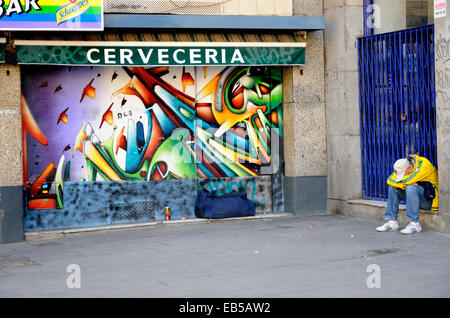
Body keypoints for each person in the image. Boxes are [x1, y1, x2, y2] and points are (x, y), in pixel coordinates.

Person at [376, 154, 438, 234]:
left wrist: (405, 183)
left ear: (409, 168)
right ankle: (392, 222)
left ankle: (414, 224)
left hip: (429, 200)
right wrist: (403, 184)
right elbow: (390, 180)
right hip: (414, 199)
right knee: (393, 187)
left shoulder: (423, 165)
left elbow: (408, 181)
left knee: (411, 187)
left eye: (403, 175)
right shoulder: (404, 164)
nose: (402, 178)